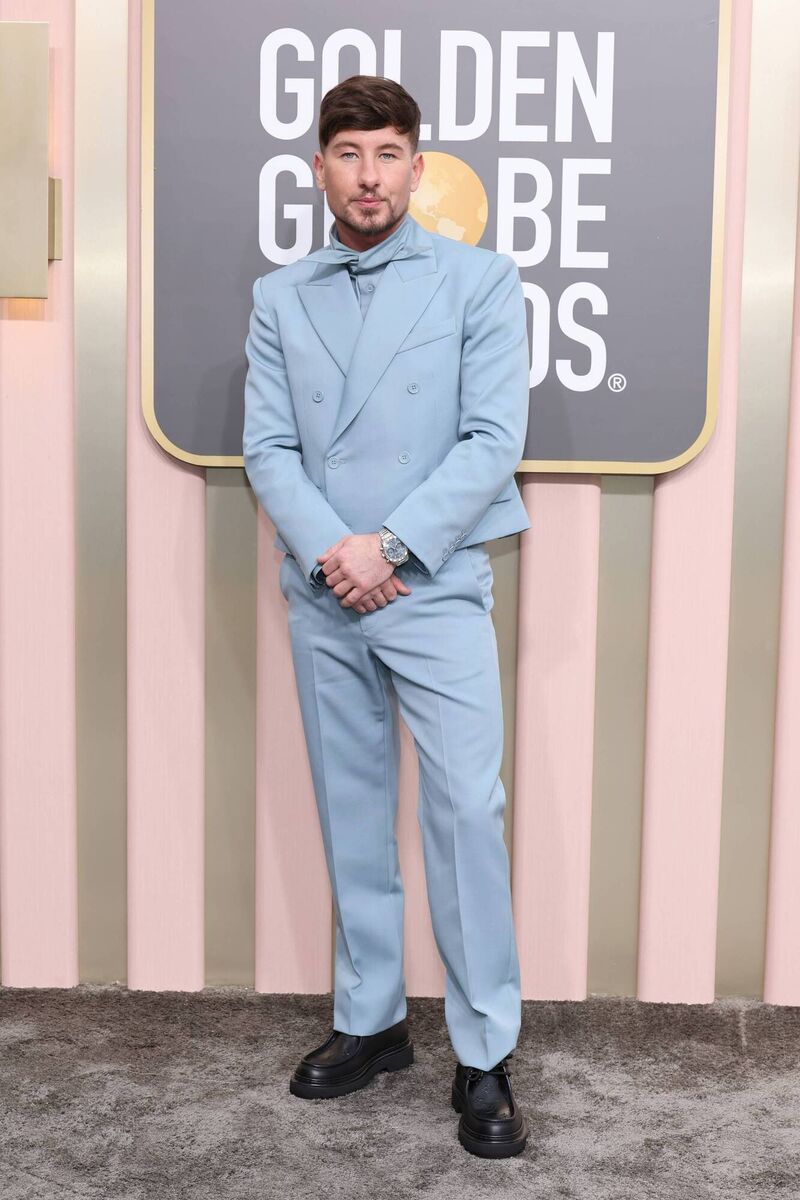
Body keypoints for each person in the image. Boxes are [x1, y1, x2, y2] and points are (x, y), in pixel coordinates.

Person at [243, 73, 531, 1159]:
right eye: (350, 154)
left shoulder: (479, 281)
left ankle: (484, 1051)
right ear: (320, 168)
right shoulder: (281, 297)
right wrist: (335, 552)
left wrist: (388, 547)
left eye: (390, 153)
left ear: (418, 168)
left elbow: (489, 439)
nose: (370, 176)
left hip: (434, 579)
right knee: (350, 809)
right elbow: (267, 446)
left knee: (464, 816)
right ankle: (369, 1024)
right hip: (325, 586)